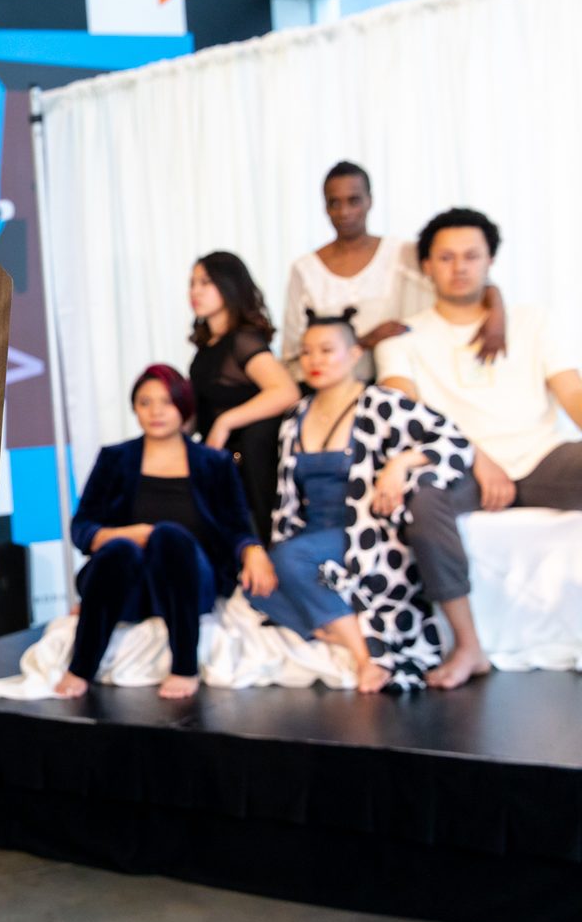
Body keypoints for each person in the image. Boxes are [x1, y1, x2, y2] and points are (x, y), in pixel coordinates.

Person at [378, 207, 582, 690]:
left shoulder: (532, 321)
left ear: (490, 260)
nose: (460, 266)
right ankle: (469, 647)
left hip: (540, 457)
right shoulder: (402, 336)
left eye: (471, 255)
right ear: (426, 265)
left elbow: (571, 393)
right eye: (446, 257)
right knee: (423, 500)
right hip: (458, 465)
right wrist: (475, 455)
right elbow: (408, 416)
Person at [250, 312, 473, 693]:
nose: (315, 361)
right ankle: (343, 622)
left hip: (361, 535)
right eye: (306, 353)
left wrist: (401, 464)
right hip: (311, 536)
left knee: (290, 560)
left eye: (326, 350)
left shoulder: (381, 404)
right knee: (258, 585)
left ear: (354, 354)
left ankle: (363, 655)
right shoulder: (294, 419)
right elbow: (288, 503)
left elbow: (453, 441)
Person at [54, 365, 276, 701]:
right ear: (135, 408)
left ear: (184, 407)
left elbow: (236, 527)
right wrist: (130, 533)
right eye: (145, 402)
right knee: (121, 549)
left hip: (189, 583)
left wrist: (252, 549)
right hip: (129, 582)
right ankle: (80, 667)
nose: (156, 411)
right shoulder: (115, 459)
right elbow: (82, 527)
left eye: (166, 402)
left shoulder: (213, 462)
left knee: (169, 537)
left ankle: (184, 666)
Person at [281, 161, 505, 383]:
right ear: (324, 207)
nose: (344, 212)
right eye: (334, 203)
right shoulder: (305, 269)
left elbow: (470, 283)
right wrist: (365, 341)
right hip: (335, 388)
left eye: (354, 200)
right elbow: (294, 354)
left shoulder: (404, 253)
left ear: (370, 201)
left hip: (412, 374)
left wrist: (497, 319)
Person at [188, 251, 302, 544]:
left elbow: (287, 392)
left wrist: (225, 422)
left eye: (205, 282)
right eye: (192, 283)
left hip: (250, 463)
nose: (195, 291)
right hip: (222, 458)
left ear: (228, 286)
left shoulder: (242, 341)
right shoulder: (206, 349)